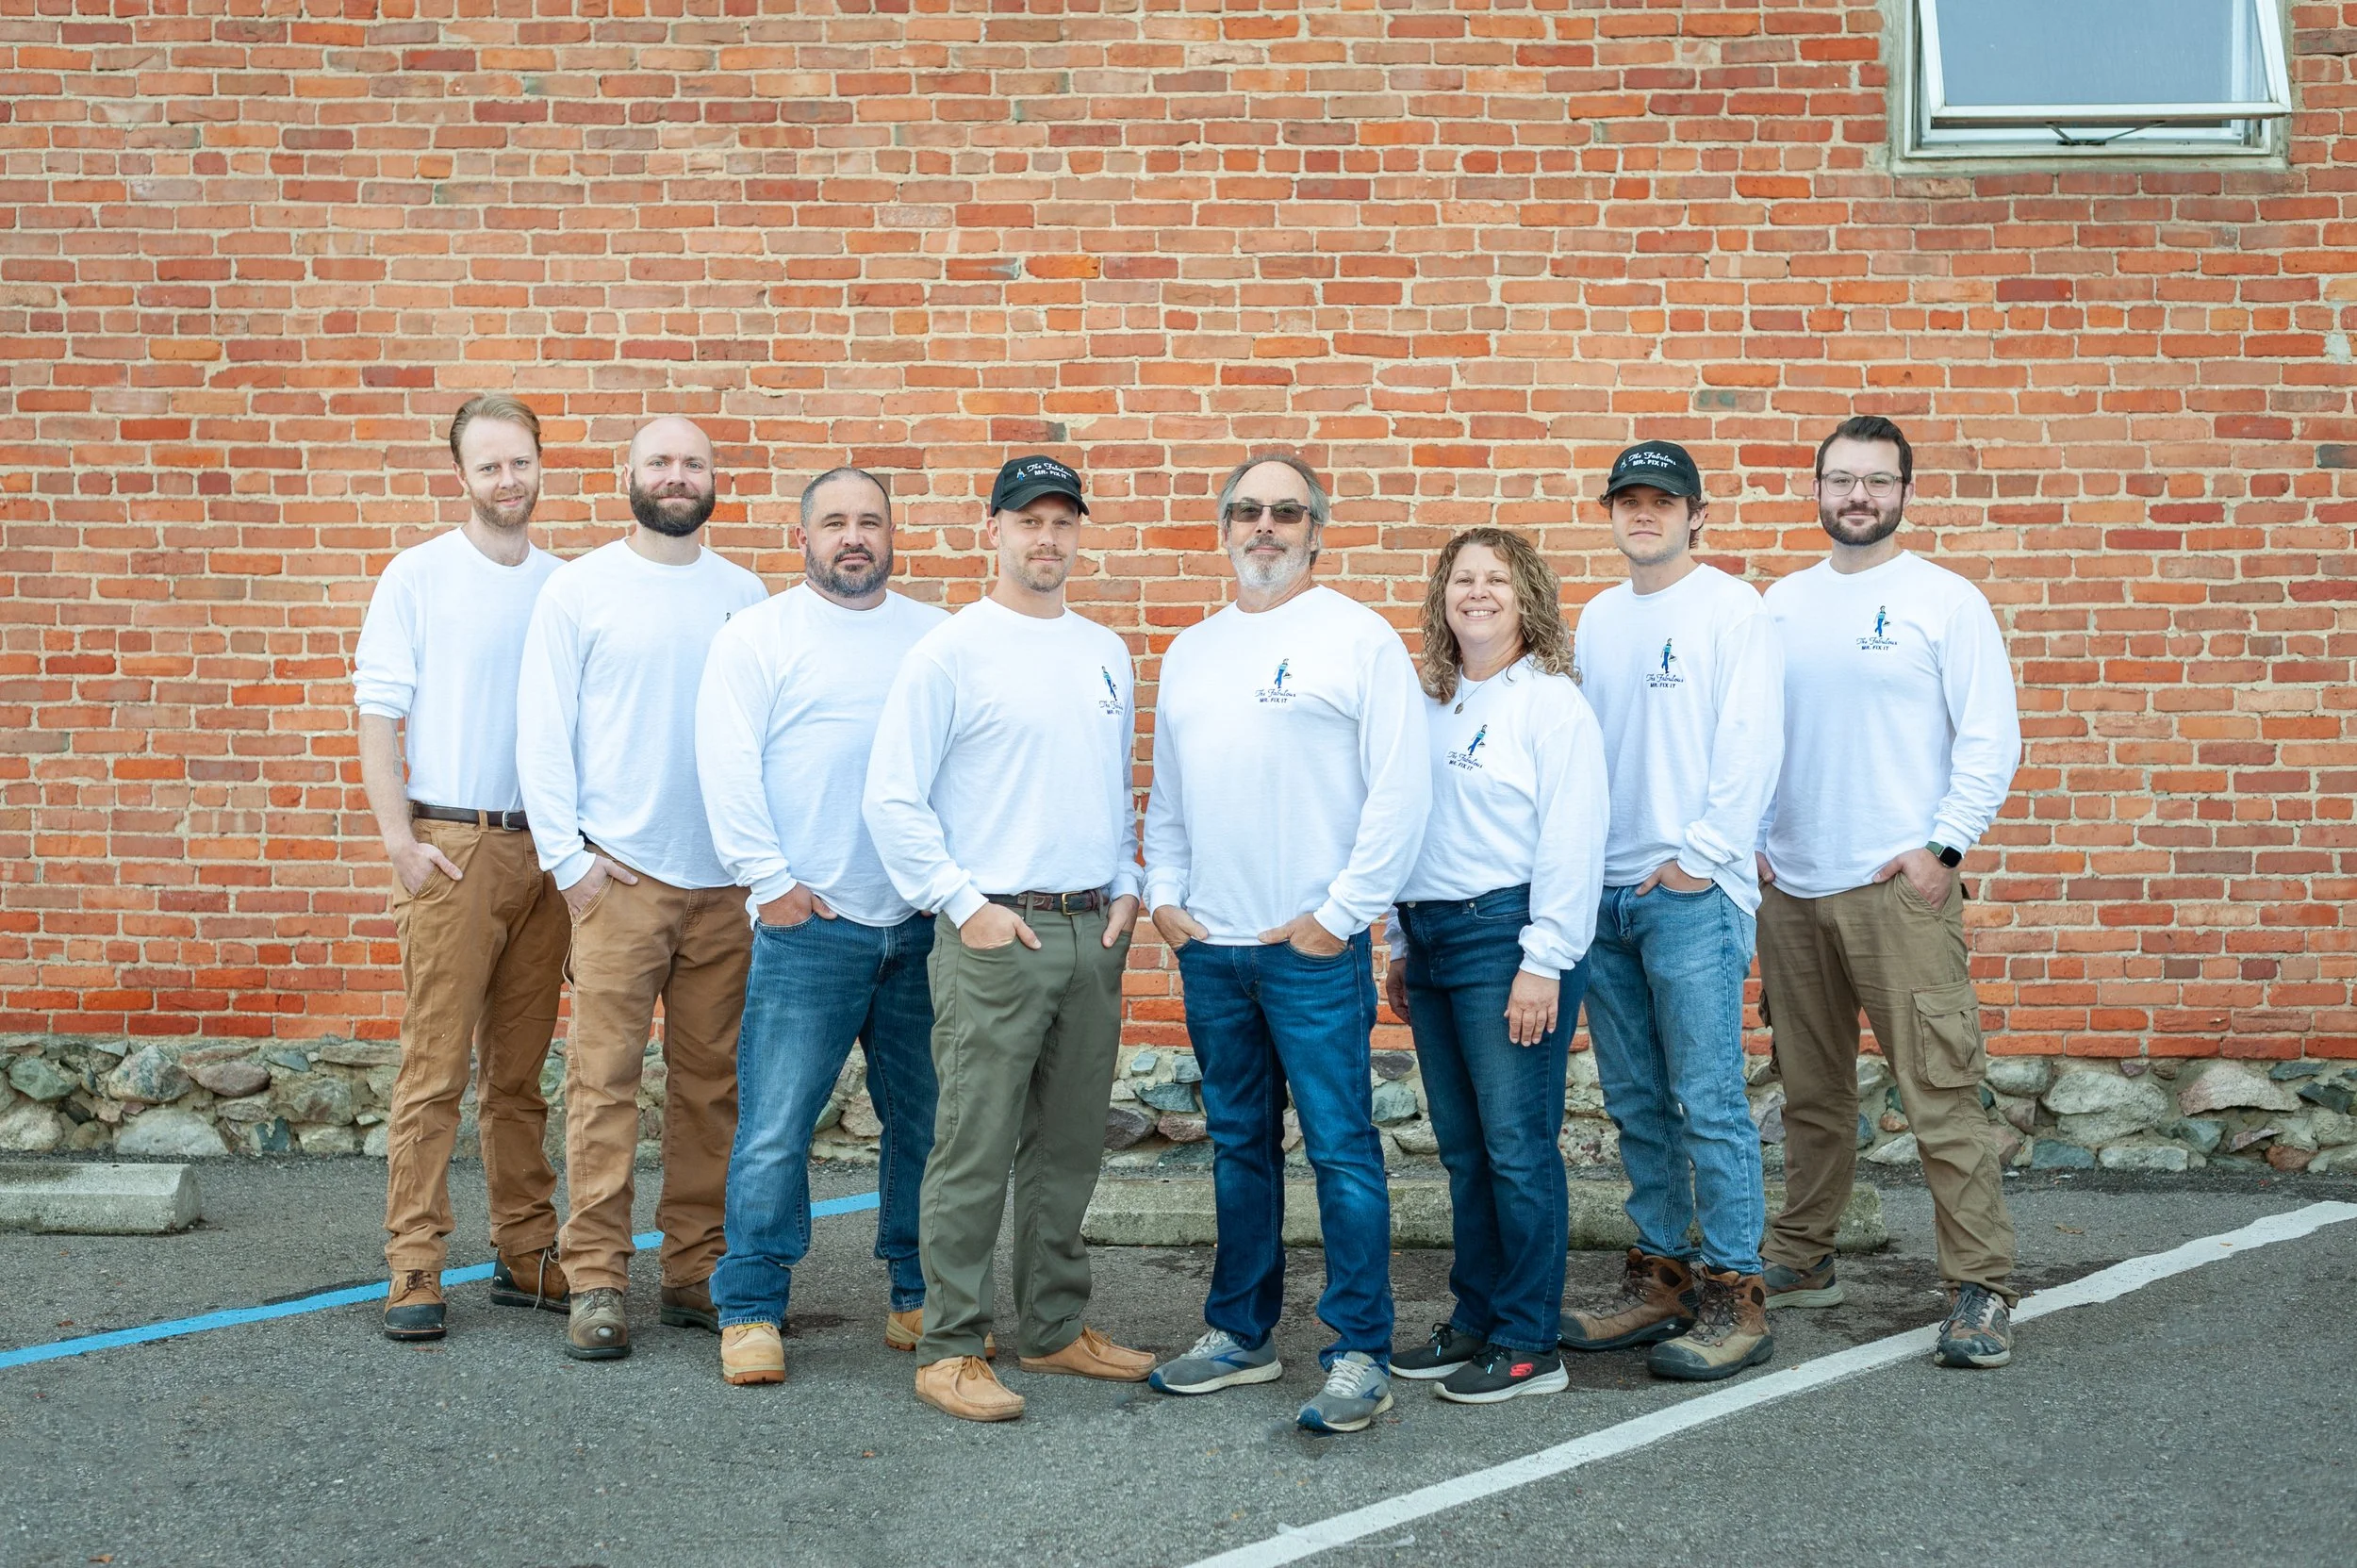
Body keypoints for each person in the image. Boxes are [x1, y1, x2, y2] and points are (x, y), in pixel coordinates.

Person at [1142, 454, 1430, 1435]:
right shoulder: (1191, 650)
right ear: (1223, 527)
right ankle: (1239, 1333)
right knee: (1237, 1148)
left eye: (1286, 511)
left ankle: (1359, 1350)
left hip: (1311, 949)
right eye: (1247, 511)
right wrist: (1166, 900)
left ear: (1317, 529)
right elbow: (1171, 798)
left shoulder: (1356, 639)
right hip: (1213, 948)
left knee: (1344, 1151)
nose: (1265, 526)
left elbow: (1400, 792)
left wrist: (1339, 915)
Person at [864, 454, 1152, 1423]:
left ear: (1078, 533)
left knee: (1067, 1147)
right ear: (990, 530)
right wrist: (962, 903)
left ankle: (1055, 1327)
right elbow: (892, 799)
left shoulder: (1104, 650)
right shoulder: (951, 652)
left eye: (1063, 521)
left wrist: (1127, 886)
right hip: (995, 930)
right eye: (1027, 521)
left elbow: (1108, 789)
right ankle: (948, 1344)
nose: (1046, 538)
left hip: (1087, 927)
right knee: (973, 1145)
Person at [1756, 414, 2024, 1370]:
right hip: (1791, 889)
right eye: (1841, 480)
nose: (1857, 496)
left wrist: (1940, 849)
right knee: (1811, 1092)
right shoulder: (1780, 606)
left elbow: (1989, 737)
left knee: (1941, 1091)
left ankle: (1980, 1286)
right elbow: (1753, 738)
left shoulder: (1943, 601)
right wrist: (1751, 841)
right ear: (1816, 489)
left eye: (1876, 480)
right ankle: (1802, 1251)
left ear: (1904, 492)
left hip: (1896, 890)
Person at [515, 416, 766, 1362]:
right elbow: (540, 729)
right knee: (603, 1084)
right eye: (659, 461)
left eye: (692, 462)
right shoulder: (580, 589)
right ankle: (597, 1279)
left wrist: (758, 865)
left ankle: (695, 1269)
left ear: (713, 481)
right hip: (620, 877)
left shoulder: (746, 595)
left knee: (711, 1091)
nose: (675, 475)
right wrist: (568, 864)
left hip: (724, 885)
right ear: (628, 475)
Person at [695, 467, 949, 1388]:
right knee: (774, 1124)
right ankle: (753, 1306)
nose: (854, 536)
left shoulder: (936, 636)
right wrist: (769, 882)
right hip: (811, 928)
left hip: (918, 927)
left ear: (893, 534)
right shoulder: (758, 635)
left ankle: (917, 1292)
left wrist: (947, 886)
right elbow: (725, 762)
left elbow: (963, 762)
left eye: (870, 521)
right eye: (835, 522)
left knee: (924, 1124)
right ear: (802, 536)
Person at [1558, 441, 1784, 1382]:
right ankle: (1661, 1279)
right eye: (1628, 500)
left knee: (1708, 1099)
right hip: (1604, 893)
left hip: (1687, 893)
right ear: (1610, 512)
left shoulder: (1734, 610)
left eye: (1662, 500)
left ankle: (1735, 1292)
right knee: (1638, 1103)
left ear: (1698, 514)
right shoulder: (1601, 618)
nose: (1642, 513)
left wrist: (1699, 857)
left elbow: (1753, 740)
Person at [355, 393, 570, 1342]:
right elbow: (378, 712)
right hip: (454, 844)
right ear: (461, 475)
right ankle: (415, 1263)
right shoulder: (418, 577)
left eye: (519, 462)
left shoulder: (566, 584)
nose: (506, 480)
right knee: (435, 1067)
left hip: (547, 850)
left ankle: (525, 1252)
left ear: (537, 465)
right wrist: (400, 840)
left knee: (520, 1074)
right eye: (488, 465)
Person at [1384, 526, 1607, 1405]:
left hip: (1508, 937)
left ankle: (1528, 1340)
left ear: (1528, 598)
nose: (1479, 593)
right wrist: (1401, 944)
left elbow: (1574, 839)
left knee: (1518, 1147)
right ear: (1443, 595)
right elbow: (1409, 826)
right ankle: (1475, 1317)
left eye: (1498, 581)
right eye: (1463, 579)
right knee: (1465, 1150)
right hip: (1432, 937)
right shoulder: (1430, 700)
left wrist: (1544, 959)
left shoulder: (1551, 703)